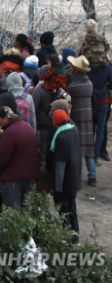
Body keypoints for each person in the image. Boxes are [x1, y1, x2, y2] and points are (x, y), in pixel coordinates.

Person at [0, 106, 40, 209]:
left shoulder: (9, 133)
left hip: (12, 179)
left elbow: (2, 157)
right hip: (28, 177)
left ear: (6, 118)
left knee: (13, 213)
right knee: (25, 212)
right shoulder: (28, 127)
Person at [46, 110, 82, 244]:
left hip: (63, 181)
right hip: (74, 178)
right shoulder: (74, 131)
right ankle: (75, 235)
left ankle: (66, 236)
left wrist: (57, 186)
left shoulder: (60, 137)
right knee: (72, 207)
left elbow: (59, 163)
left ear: (55, 123)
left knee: (63, 209)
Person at [66, 56, 96, 186]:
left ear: (76, 70)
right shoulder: (89, 84)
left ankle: (76, 175)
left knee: (76, 150)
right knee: (89, 149)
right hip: (88, 119)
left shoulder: (73, 86)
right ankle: (92, 175)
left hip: (76, 119)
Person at [86, 57, 112, 164]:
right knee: (101, 129)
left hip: (90, 101)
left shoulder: (88, 67)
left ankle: (89, 154)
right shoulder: (108, 67)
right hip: (103, 101)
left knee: (90, 128)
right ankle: (95, 156)